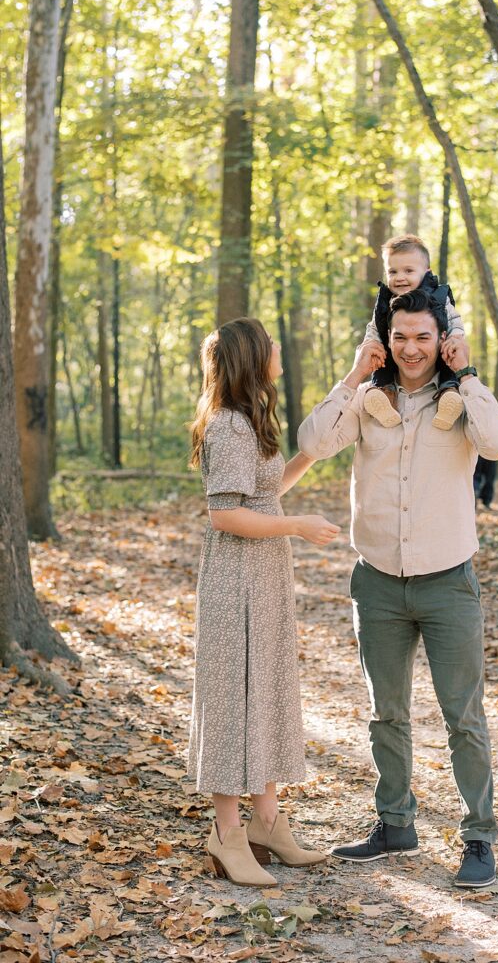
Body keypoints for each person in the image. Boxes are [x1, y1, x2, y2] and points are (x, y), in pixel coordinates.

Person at [298, 289, 498, 888]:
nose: (412, 348)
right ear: (385, 339)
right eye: (401, 337)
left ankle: (479, 838)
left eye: (423, 336)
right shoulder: (370, 400)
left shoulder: (463, 399)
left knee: (463, 717)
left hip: (449, 582)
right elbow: (313, 442)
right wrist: (353, 373)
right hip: (377, 584)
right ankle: (394, 823)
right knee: (385, 713)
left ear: (440, 339)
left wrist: (467, 372)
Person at [188, 318, 340, 888]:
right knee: (234, 700)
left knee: (268, 690)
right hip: (235, 582)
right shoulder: (227, 425)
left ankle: (267, 824)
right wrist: (297, 526)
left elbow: (265, 492)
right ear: (254, 358)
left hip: (266, 577)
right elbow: (224, 513)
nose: (280, 349)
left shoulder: (252, 419)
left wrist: (310, 457)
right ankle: (227, 834)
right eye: (272, 344)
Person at [363, 234, 466, 431]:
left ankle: (448, 396)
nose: (400, 277)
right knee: (382, 362)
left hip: (436, 356)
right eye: (393, 272)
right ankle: (384, 397)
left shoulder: (438, 296)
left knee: (448, 361)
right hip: (393, 356)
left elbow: (454, 320)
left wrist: (455, 338)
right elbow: (375, 325)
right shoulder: (386, 299)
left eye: (408, 271)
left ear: (427, 272)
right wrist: (370, 343)